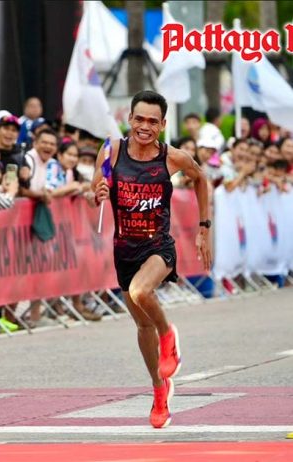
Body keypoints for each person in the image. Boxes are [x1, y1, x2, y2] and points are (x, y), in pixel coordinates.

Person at [93, 90, 211, 429]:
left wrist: (204, 228)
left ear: (162, 124)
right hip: (124, 249)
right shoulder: (111, 151)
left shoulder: (173, 158)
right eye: (139, 119)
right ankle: (159, 390)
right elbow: (94, 192)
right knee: (141, 325)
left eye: (152, 121)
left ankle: (168, 334)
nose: (145, 126)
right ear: (129, 118)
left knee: (141, 291)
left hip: (158, 246)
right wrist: (97, 193)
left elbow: (201, 178)